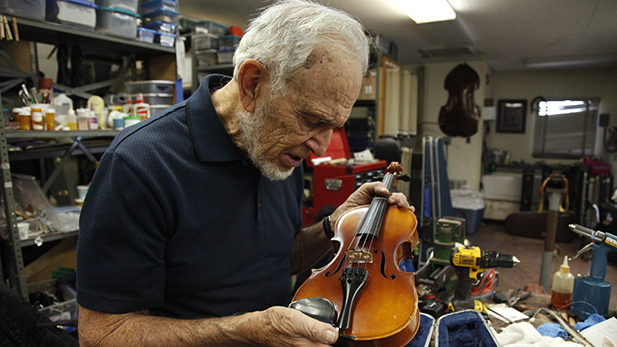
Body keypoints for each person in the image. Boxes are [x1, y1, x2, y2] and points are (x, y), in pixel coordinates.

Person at [76, 0, 414, 346]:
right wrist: (249, 333)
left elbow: (278, 259)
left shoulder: (281, 154)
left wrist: (335, 226)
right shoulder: (139, 165)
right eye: (312, 120)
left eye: (334, 126)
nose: (322, 148)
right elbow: (103, 335)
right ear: (252, 83)